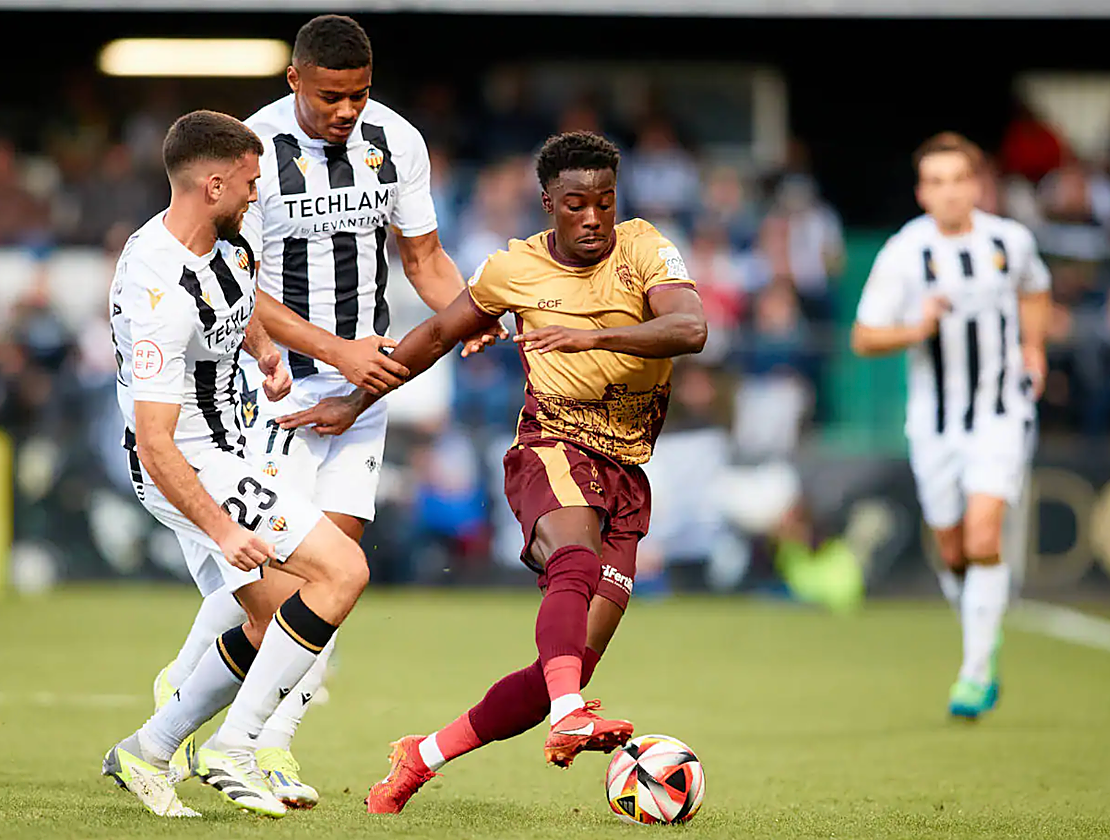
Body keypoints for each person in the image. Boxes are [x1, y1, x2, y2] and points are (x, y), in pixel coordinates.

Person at [277, 130, 708, 813]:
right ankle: (571, 712)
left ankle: (423, 755)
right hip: (551, 444)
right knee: (572, 559)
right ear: (548, 203)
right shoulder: (514, 268)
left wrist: (592, 337)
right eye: (576, 204)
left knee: (562, 669)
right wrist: (354, 400)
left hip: (626, 469)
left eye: (604, 201)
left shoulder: (646, 248)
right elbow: (437, 335)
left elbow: (690, 329)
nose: (593, 217)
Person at [147, 14, 503, 809]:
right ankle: (192, 693)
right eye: (330, 96)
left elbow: (424, 258)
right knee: (285, 578)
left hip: (360, 391)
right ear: (295, 80)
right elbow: (237, 289)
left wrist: (465, 315)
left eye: (359, 95)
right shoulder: (251, 154)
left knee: (333, 574)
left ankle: (266, 741)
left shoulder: (397, 141)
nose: (346, 111)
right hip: (268, 388)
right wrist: (337, 351)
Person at [101, 110, 370, 819]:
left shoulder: (225, 239)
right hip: (191, 463)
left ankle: (150, 749)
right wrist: (222, 530)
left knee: (277, 617)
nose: (258, 194)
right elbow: (155, 441)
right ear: (213, 185)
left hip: (235, 444)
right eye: (250, 183)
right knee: (343, 572)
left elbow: (238, 301)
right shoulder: (156, 291)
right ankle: (235, 747)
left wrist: (264, 350)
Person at [850, 132, 1051, 720]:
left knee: (984, 536)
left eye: (959, 179)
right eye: (936, 182)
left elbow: (1035, 290)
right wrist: (918, 328)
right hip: (934, 424)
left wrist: (1034, 347)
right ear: (922, 192)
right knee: (954, 549)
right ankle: (982, 635)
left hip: (1001, 412)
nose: (949, 192)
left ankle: (975, 672)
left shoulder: (1010, 241)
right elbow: (864, 337)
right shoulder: (905, 252)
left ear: (977, 185)